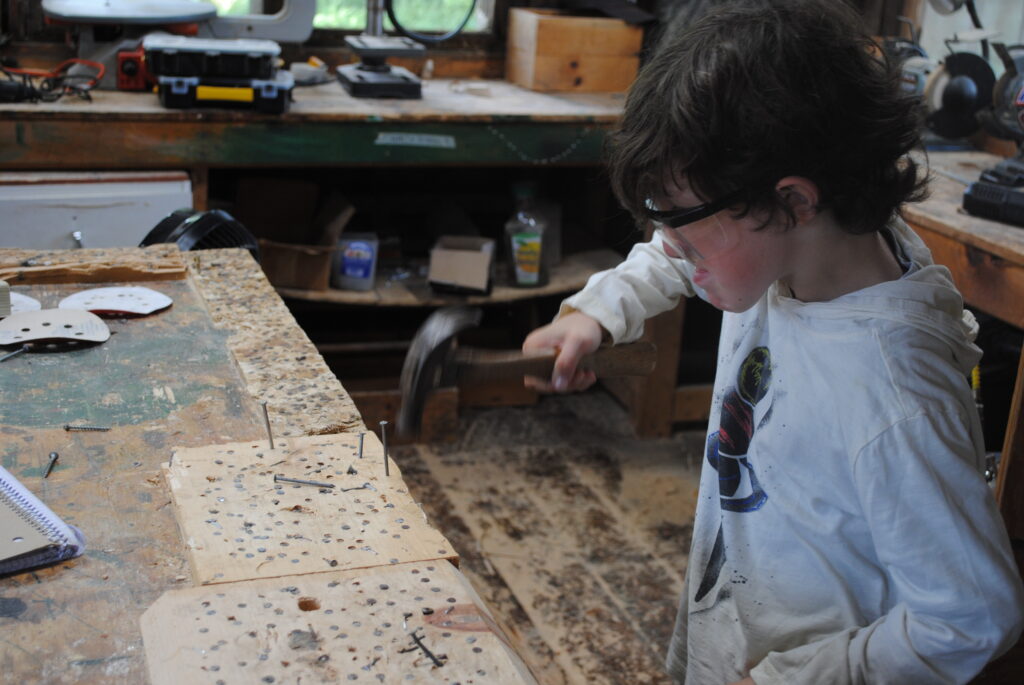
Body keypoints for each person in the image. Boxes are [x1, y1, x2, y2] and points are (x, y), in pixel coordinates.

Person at [521, 1, 1024, 683]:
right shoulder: (795, 252)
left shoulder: (894, 391)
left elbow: (973, 615)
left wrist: (806, 674)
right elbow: (674, 254)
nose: (674, 251)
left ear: (792, 202)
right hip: (736, 621)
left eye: (688, 233)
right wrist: (600, 312)